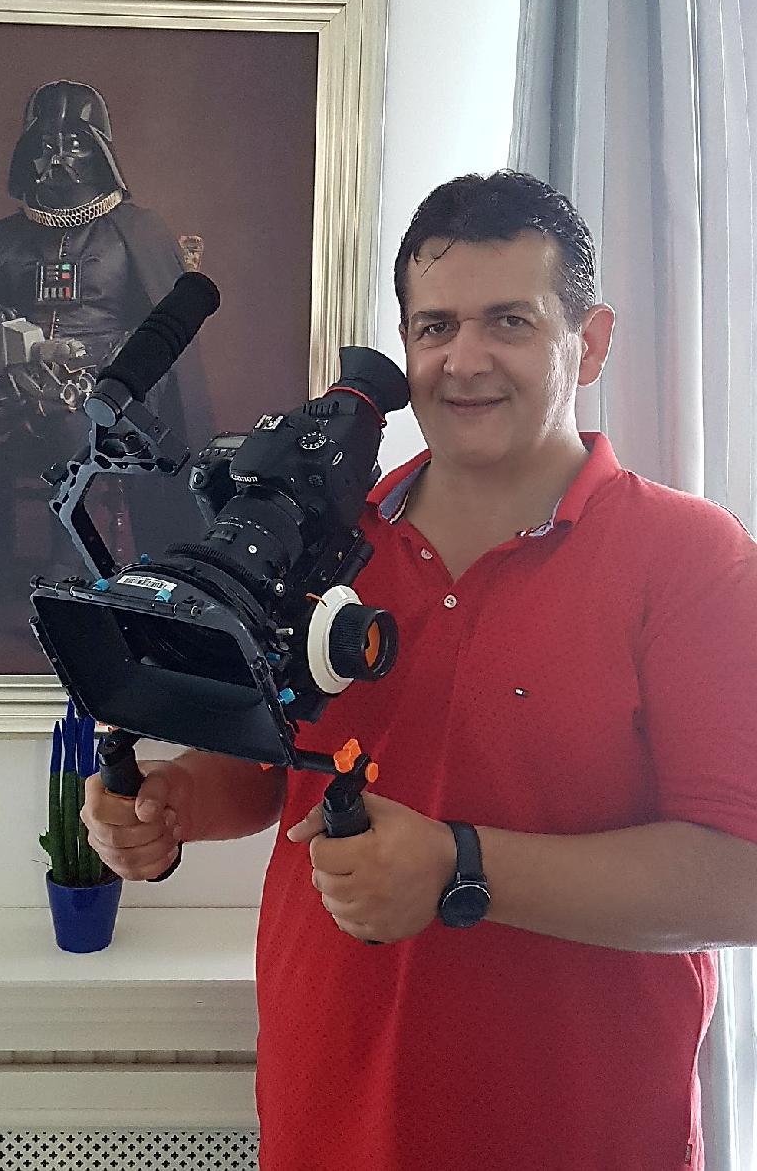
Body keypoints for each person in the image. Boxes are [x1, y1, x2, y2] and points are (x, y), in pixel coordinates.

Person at [81, 171, 757, 1170]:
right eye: (435, 327)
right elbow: (271, 773)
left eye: (509, 322)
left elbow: (739, 879)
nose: (464, 360)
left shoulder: (692, 557)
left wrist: (458, 866)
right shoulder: (317, 539)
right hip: (327, 1118)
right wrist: (172, 801)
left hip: (582, 1134)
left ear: (590, 342)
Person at [0, 80, 209, 607]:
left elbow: (167, 332)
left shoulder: (139, 231)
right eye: (45, 144)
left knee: (75, 425)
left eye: (74, 143)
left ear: (100, 152)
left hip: (98, 388)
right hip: (8, 386)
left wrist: (117, 371)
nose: (58, 157)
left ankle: (68, 567)